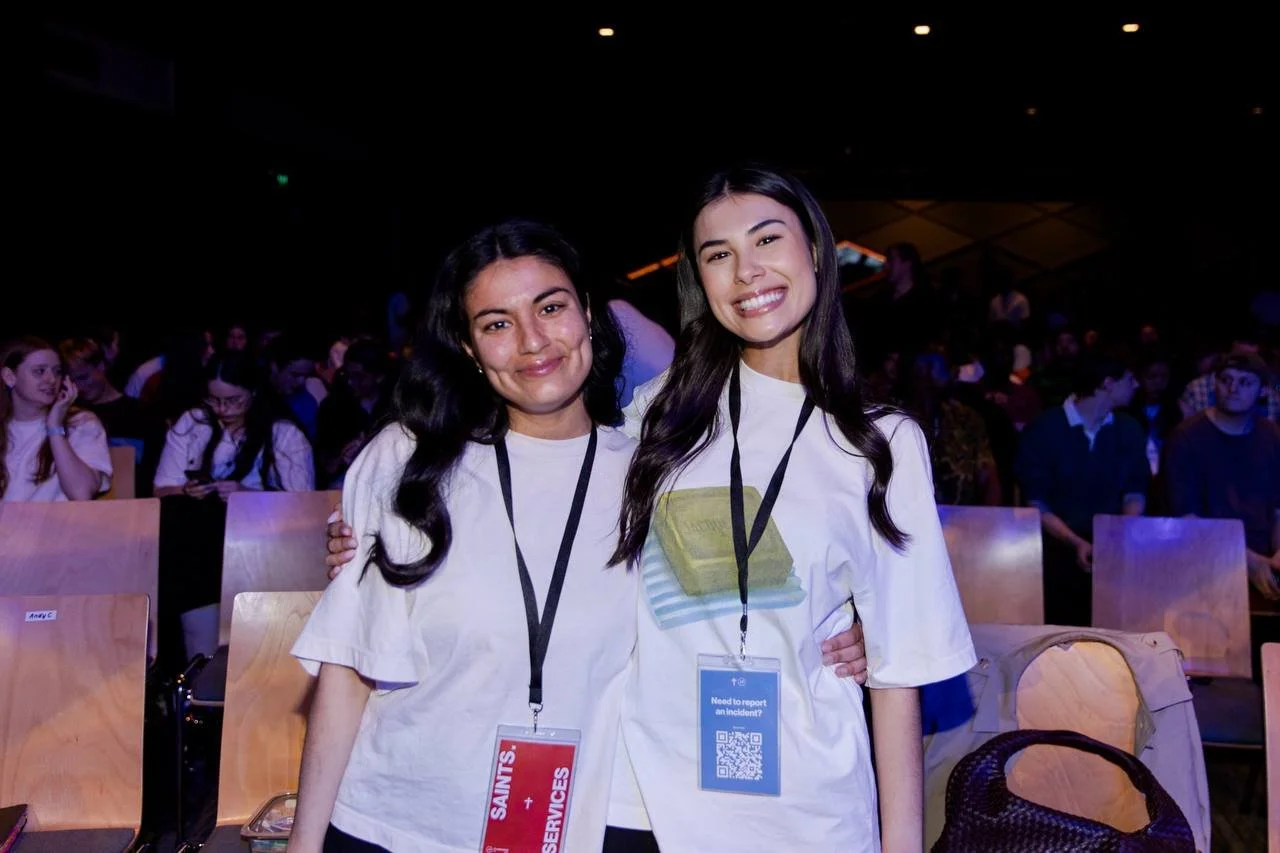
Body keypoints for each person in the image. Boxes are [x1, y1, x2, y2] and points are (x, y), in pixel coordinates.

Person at [607, 166, 974, 851]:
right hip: (641, 799)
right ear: (700, 278)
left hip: (807, 808)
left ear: (816, 251)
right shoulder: (656, 413)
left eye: (767, 239)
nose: (747, 271)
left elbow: (899, 678)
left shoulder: (881, 442)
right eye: (719, 255)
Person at [2, 336, 113, 502]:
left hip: (59, 527)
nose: (51, 380)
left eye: (57, 371)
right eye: (40, 371)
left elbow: (81, 494)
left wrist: (54, 427)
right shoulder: (4, 426)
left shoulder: (80, 423)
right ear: (10, 377)